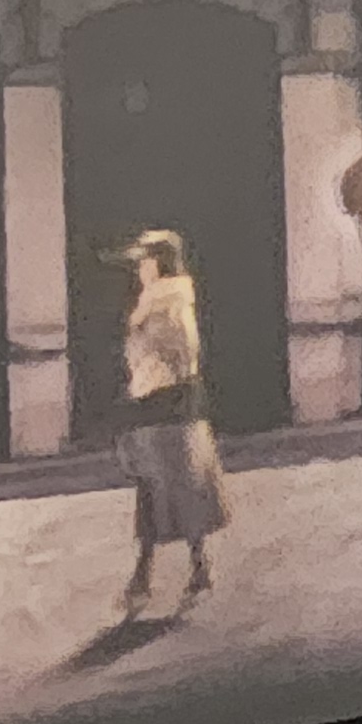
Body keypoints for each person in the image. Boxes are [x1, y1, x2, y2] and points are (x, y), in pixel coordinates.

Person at [115, 229, 229, 614]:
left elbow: (176, 355)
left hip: (166, 406)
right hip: (163, 404)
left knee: (170, 489)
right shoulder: (161, 299)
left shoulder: (167, 300)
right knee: (163, 490)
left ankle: (164, 575)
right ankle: (167, 574)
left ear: (156, 262)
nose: (139, 268)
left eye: (143, 260)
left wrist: (148, 390)